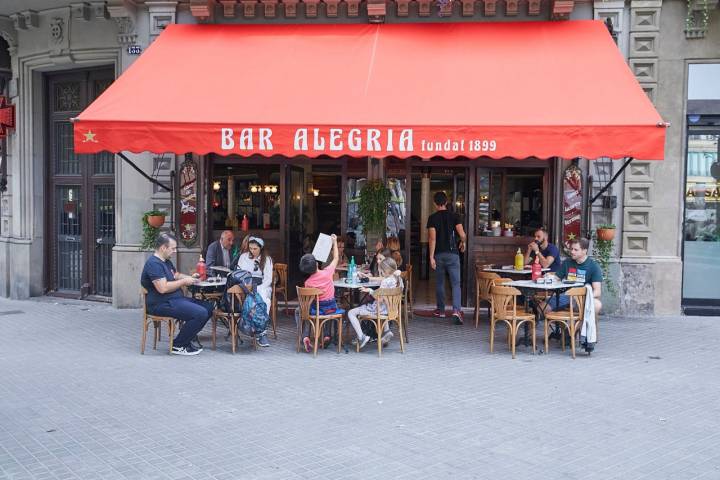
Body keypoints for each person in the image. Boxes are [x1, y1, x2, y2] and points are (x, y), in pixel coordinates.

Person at [140, 232, 213, 356]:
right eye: (172, 248)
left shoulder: (166, 261)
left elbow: (176, 275)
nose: (174, 251)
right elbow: (162, 288)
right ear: (163, 247)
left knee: (208, 307)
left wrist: (191, 277)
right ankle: (178, 345)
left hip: (175, 300)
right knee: (200, 313)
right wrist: (184, 281)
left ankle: (186, 338)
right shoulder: (153, 264)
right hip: (160, 304)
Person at [296, 234, 341, 353]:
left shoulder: (308, 282)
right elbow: (336, 258)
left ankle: (305, 336)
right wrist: (334, 242)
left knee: (304, 310)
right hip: (329, 308)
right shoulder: (328, 272)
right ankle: (327, 335)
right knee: (332, 308)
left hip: (316, 309)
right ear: (316, 264)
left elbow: (309, 300)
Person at [427, 191, 467, 324]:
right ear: (446, 202)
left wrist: (431, 257)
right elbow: (462, 234)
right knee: (456, 284)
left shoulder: (432, 218)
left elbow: (432, 239)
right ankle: (456, 310)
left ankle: (441, 310)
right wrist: (463, 242)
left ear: (435, 204)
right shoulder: (455, 216)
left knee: (439, 283)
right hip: (453, 254)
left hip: (439, 254)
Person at [348, 257, 403, 350]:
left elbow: (380, 299)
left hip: (379, 310)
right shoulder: (398, 280)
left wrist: (369, 291)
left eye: (380, 269)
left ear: (384, 270)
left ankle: (362, 337)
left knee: (351, 312)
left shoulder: (385, 282)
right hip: (391, 310)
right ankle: (387, 331)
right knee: (379, 307)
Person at [544, 237, 603, 315]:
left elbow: (597, 291)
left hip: (581, 297)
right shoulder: (567, 262)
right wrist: (549, 277)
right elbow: (556, 278)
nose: (572, 252)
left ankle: (575, 326)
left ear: (584, 251)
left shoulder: (593, 266)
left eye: (576, 250)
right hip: (565, 296)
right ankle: (566, 326)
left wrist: (586, 297)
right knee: (542, 307)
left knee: (597, 305)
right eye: (571, 249)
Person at [235, 236, 273, 347]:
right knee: (247, 300)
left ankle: (262, 331)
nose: (252, 251)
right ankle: (249, 325)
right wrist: (247, 287)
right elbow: (239, 273)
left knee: (264, 301)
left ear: (261, 248)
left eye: (255, 249)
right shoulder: (243, 257)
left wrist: (258, 289)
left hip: (261, 285)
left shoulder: (267, 259)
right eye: (250, 248)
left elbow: (268, 279)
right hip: (246, 285)